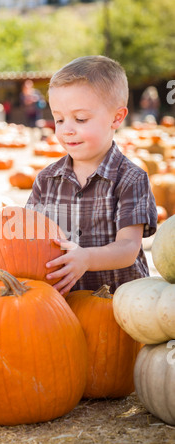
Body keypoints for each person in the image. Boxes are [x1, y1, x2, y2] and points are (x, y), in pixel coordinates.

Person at [25, 55, 157, 296]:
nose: (67, 129)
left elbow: (128, 247)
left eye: (80, 119)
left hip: (119, 307)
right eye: (59, 119)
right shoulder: (46, 181)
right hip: (63, 307)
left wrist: (87, 258)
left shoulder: (131, 179)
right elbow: (32, 240)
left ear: (117, 118)